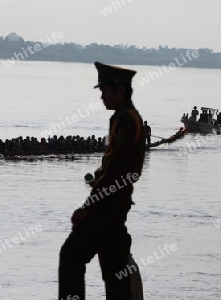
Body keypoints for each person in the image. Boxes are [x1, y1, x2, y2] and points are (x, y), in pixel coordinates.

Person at [59, 61, 145, 300]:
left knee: (71, 255)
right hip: (116, 204)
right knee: (115, 269)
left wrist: (88, 207)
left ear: (120, 90)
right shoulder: (122, 118)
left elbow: (115, 170)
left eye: (105, 91)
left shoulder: (127, 120)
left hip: (109, 205)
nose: (102, 97)